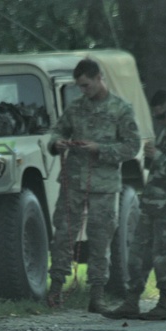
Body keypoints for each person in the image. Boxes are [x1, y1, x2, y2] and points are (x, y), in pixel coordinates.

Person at [46, 58, 141, 313]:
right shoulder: (76, 108)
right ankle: (55, 290)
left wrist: (101, 149)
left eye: (87, 85)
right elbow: (57, 131)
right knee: (63, 234)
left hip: (105, 184)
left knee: (101, 239)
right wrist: (57, 144)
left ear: (100, 78)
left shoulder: (121, 109)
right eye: (80, 86)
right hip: (73, 181)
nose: (83, 91)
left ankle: (97, 294)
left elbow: (132, 146)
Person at [103, 90, 166, 321]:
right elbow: (158, 169)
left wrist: (159, 156)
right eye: (156, 117)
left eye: (161, 116)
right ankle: (131, 300)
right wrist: (150, 156)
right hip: (153, 203)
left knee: (164, 255)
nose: (159, 121)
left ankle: (164, 303)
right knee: (138, 253)